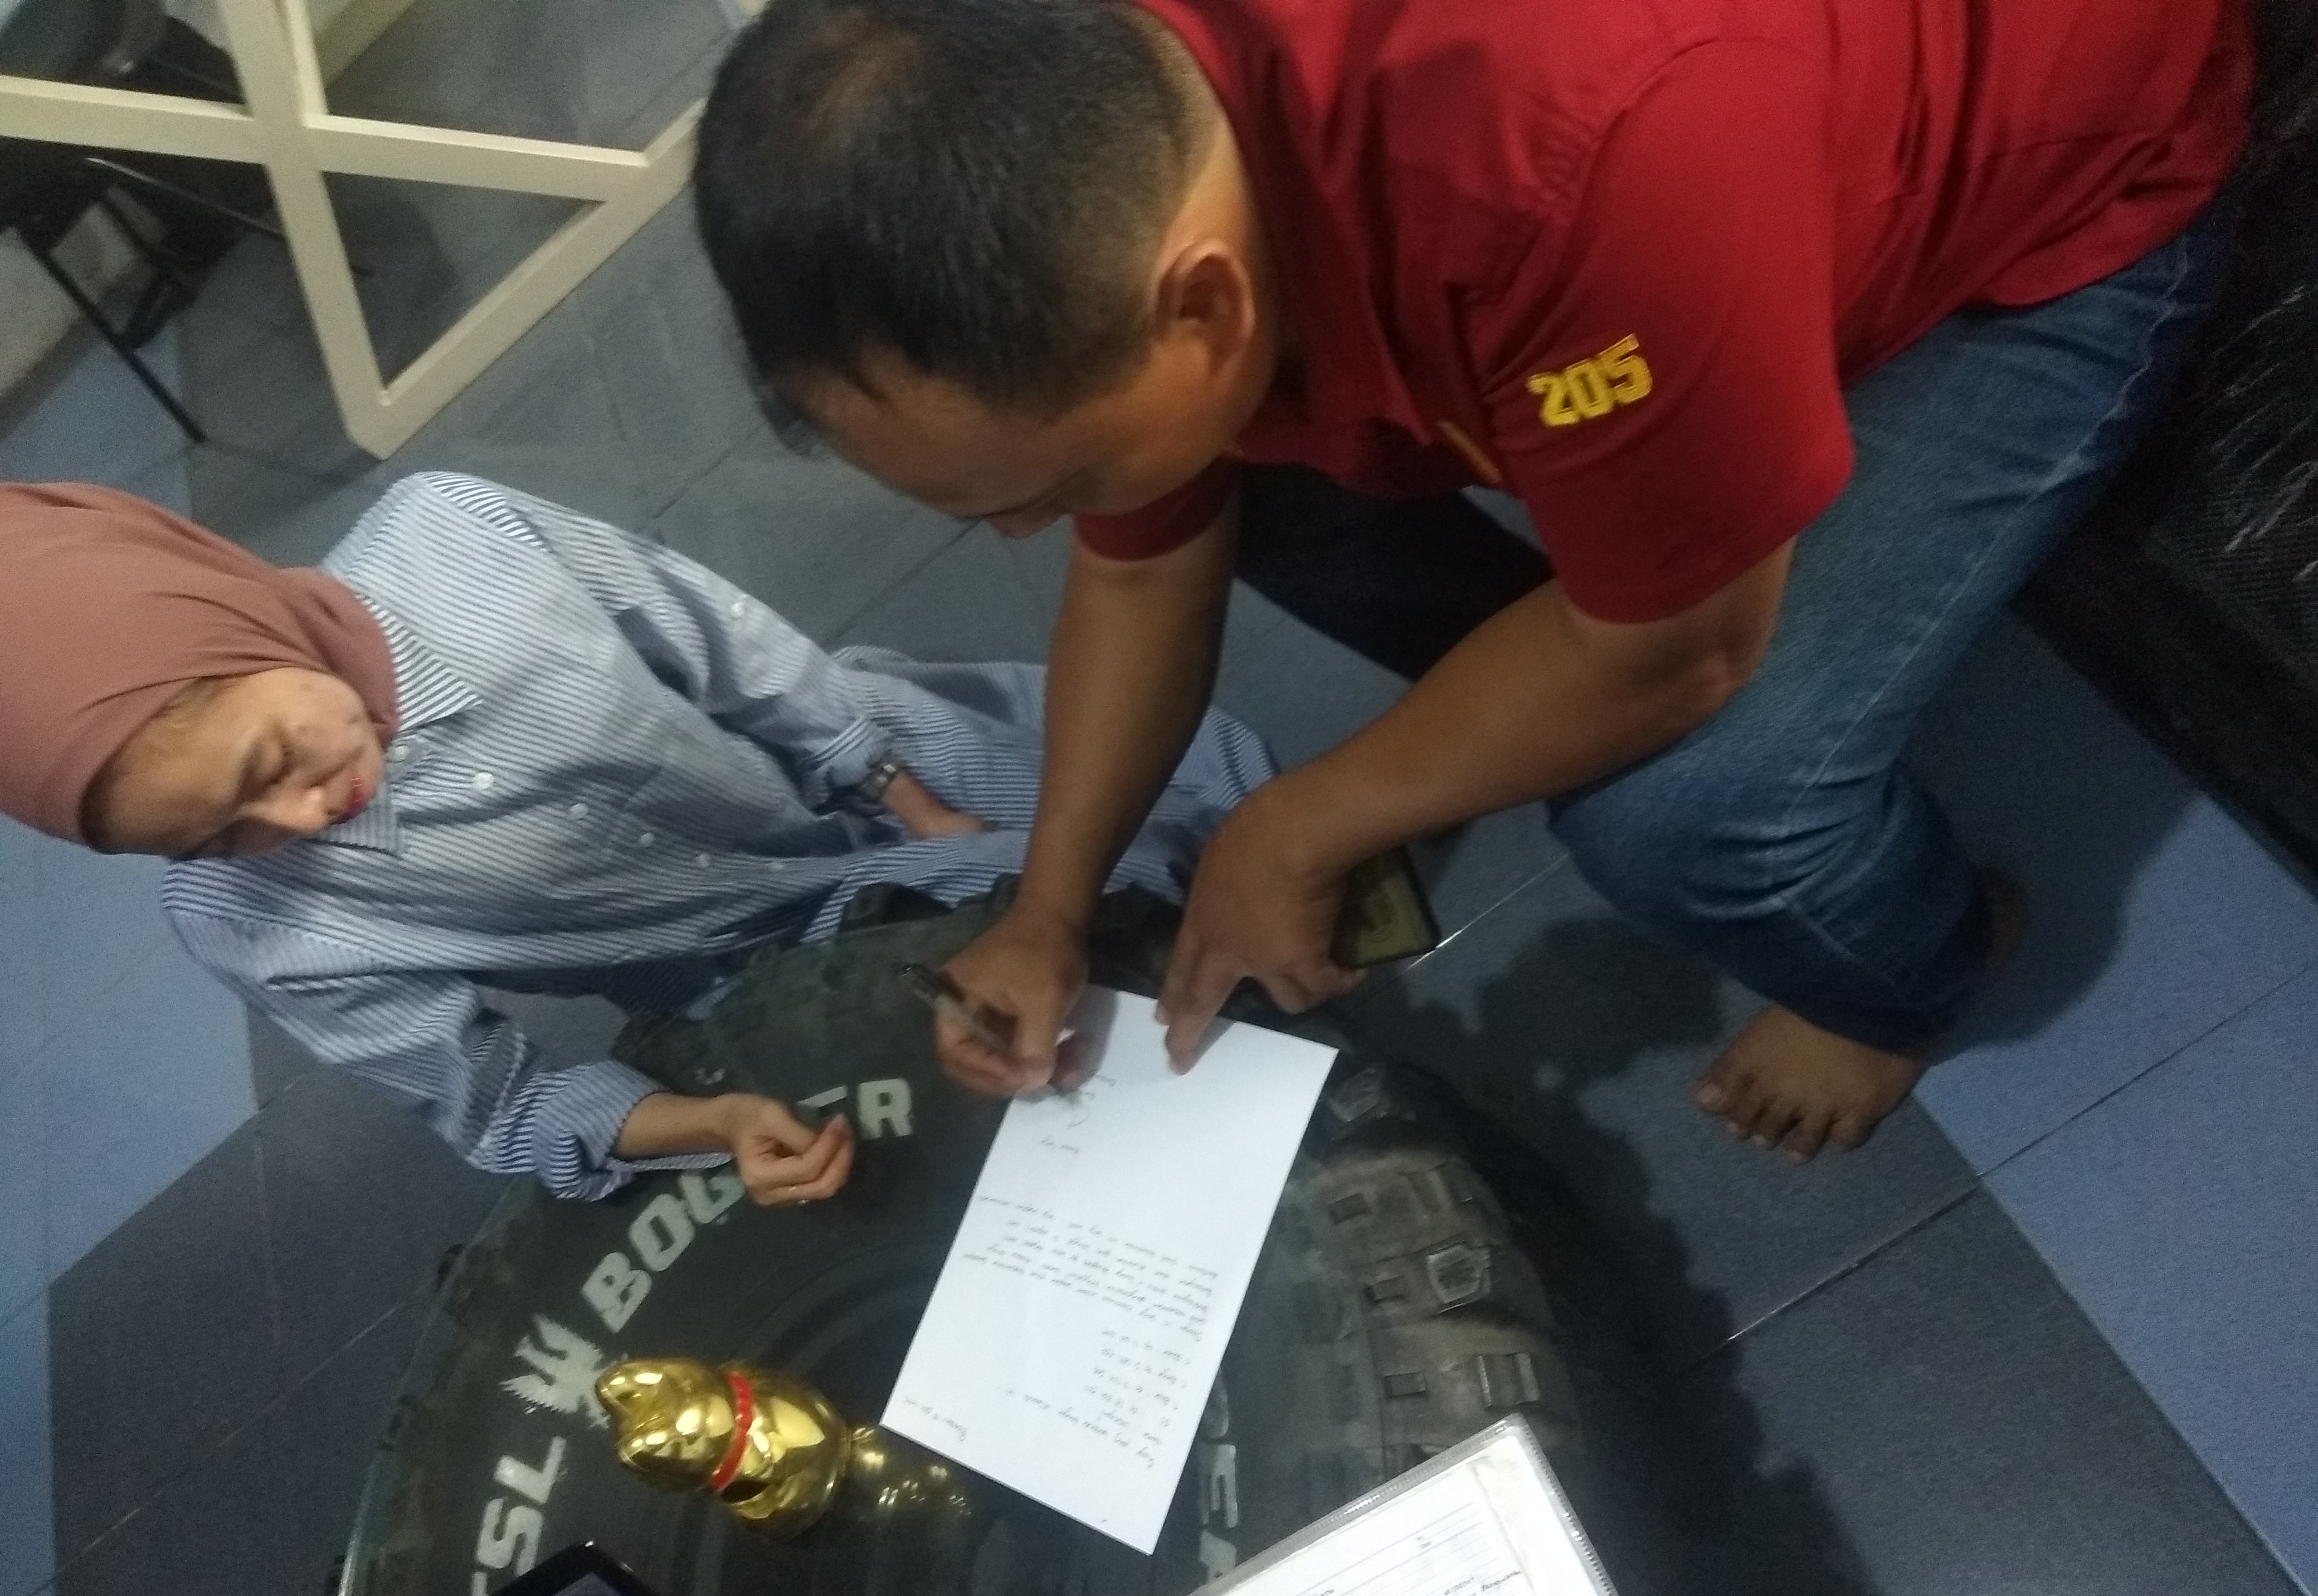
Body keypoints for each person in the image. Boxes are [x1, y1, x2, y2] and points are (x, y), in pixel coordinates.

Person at [689, 0, 2249, 1159]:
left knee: (1680, 811)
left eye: (1052, 485)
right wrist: (1049, 909)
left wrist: (1299, 820)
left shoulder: (1574, 156)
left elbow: (1684, 649)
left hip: (2053, 223)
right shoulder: (1096, 122)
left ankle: (1913, 969)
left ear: (1205, 300)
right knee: (1238, 496)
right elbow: (1144, 570)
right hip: (1700, 235)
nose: (1032, 536)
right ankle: (1560, 650)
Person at [0, 474, 1270, 1202]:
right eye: (218, 838)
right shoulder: (244, 924)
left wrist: (917, 806)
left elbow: (731, 655)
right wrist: (718, 1121)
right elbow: (505, 1104)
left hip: (854, 775)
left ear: (229, 610)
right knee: (1031, 1126)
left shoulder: (453, 538)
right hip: (753, 974)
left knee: (1171, 820)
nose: (293, 819)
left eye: (267, 763)